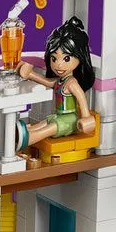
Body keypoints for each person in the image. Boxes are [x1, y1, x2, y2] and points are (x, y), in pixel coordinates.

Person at [18, 15, 96, 149]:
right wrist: (30, 74)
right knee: (44, 123)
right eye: (54, 58)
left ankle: (28, 139)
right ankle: (24, 132)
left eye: (66, 59)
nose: (58, 65)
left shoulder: (72, 83)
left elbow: (82, 99)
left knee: (50, 128)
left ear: (80, 58)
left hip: (71, 120)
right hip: (59, 116)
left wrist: (85, 117)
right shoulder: (60, 81)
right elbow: (47, 82)